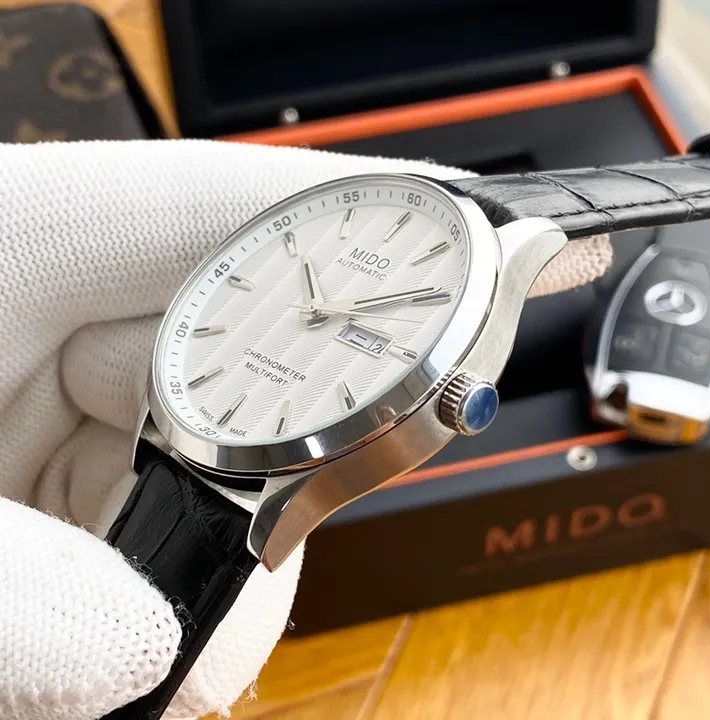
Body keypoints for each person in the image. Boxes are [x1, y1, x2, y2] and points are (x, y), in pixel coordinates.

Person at [0, 139, 611, 719]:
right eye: (317, 306)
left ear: (458, 399)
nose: (320, 312)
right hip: (181, 417)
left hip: (255, 451)